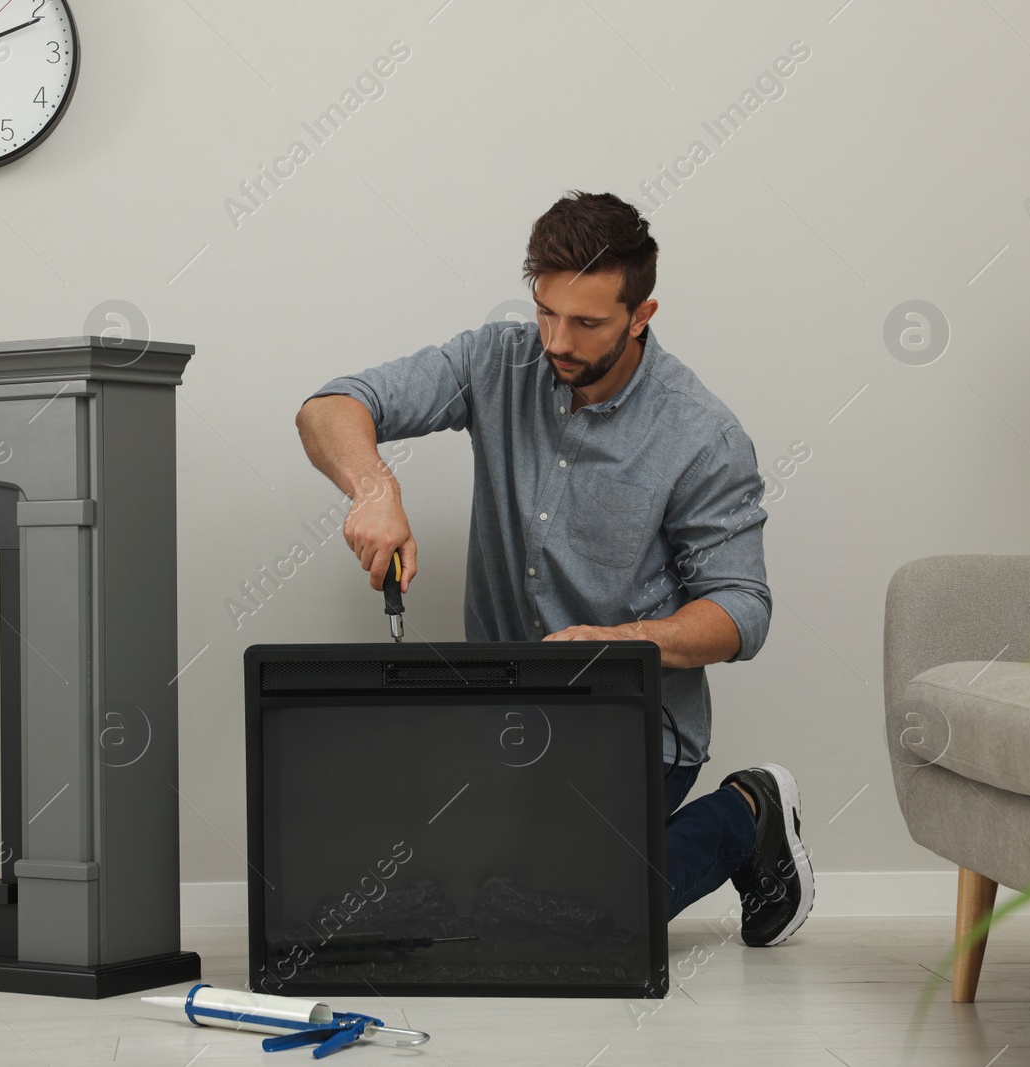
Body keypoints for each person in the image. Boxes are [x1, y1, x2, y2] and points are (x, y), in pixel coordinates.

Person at [293, 190, 812, 946]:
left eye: (587, 322)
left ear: (642, 315)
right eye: (545, 311)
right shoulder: (496, 361)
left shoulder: (702, 434)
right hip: (500, 725)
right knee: (424, 895)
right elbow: (330, 407)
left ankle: (748, 811)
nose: (557, 340)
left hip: (635, 728)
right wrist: (373, 486)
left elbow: (744, 610)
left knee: (572, 921)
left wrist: (621, 642)